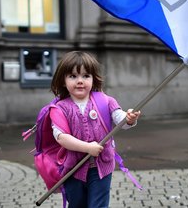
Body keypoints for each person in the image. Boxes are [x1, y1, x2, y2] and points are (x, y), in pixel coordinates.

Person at [48, 51, 140, 208]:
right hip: (73, 169)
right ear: (63, 80)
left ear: (93, 78)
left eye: (85, 76)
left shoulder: (105, 101)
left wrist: (129, 118)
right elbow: (61, 137)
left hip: (101, 168)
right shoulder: (59, 108)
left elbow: (120, 120)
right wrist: (87, 147)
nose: (80, 81)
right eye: (73, 76)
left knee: (98, 205)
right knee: (77, 205)